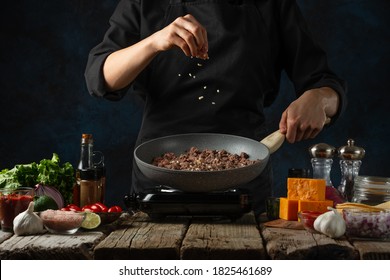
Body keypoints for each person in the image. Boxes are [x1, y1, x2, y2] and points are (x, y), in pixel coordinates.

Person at [85, 0, 347, 215]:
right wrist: (154, 42)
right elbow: (100, 76)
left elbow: (326, 83)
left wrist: (319, 99)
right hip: (159, 178)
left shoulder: (272, 5)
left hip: (244, 179)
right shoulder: (144, 3)